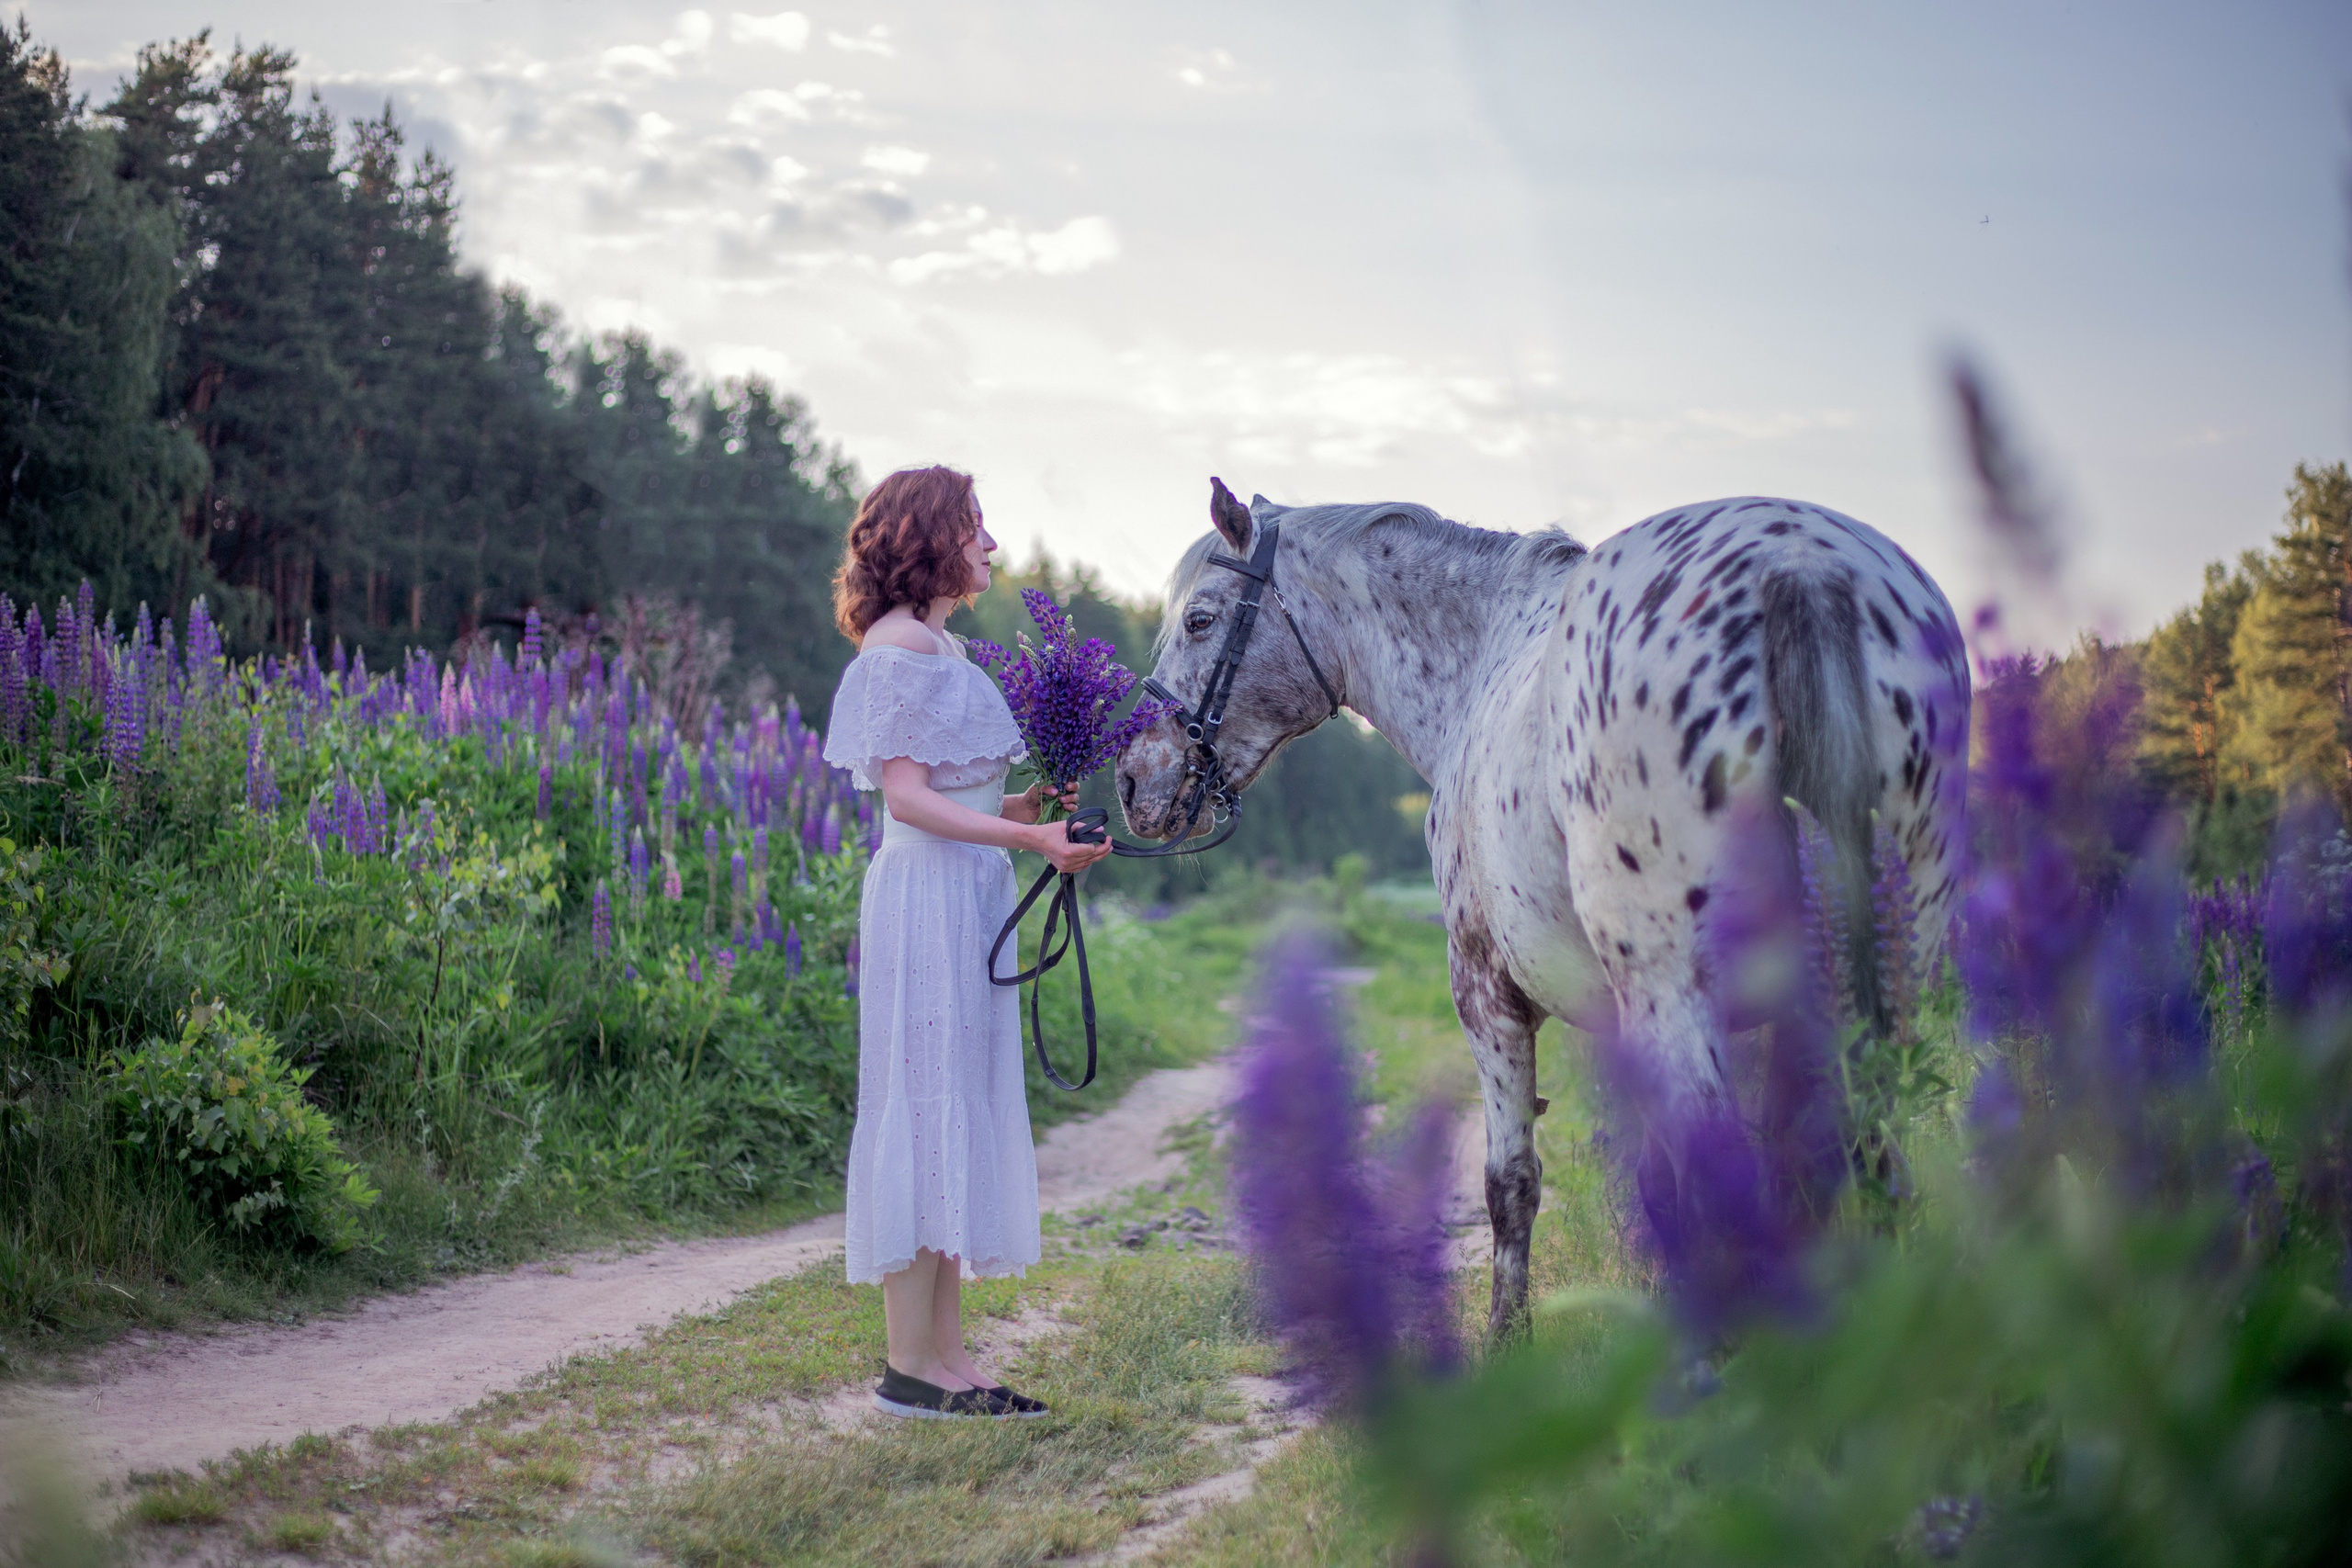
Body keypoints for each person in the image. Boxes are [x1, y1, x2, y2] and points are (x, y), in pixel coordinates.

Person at [820, 465, 1112, 1419]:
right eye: (975, 528)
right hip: (924, 897)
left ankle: (947, 1360)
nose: (990, 546)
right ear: (929, 538)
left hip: (964, 891)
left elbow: (956, 794)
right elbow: (905, 798)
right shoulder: (895, 652)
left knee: (955, 1105)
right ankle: (910, 1367)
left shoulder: (943, 653)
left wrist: (1030, 809)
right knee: (923, 1105)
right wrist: (1028, 840)